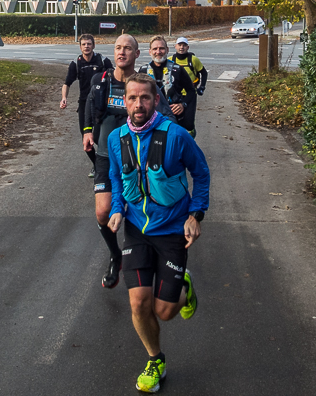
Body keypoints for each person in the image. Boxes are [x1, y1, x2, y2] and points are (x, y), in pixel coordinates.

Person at [107, 73, 210, 393]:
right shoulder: (116, 138)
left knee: (164, 312)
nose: (139, 104)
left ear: (156, 101)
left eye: (145, 98)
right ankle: (155, 359)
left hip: (171, 230)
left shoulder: (176, 135)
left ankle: (184, 286)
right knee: (138, 303)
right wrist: (116, 209)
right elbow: (116, 178)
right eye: (133, 98)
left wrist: (196, 214)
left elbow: (201, 173)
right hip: (137, 229)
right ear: (124, 101)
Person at [84, 35, 173, 289]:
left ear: (137, 54)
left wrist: (172, 144)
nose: (121, 52)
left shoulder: (145, 85)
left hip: (138, 160)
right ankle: (115, 255)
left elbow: (166, 117)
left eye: (127, 49)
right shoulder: (101, 81)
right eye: (118, 48)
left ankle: (147, 257)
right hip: (105, 156)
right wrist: (87, 131)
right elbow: (89, 107)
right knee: (103, 213)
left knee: (139, 210)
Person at [61, 34, 110, 177]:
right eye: (84, 44)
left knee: (101, 136)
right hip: (84, 105)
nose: (86, 46)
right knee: (86, 139)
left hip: (102, 103)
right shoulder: (76, 63)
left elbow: (114, 77)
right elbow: (67, 83)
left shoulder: (102, 61)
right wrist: (64, 98)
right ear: (80, 47)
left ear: (94, 46)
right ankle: (96, 165)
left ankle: (105, 164)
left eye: (89, 44)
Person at [138, 36, 196, 137]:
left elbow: (191, 91)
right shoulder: (143, 71)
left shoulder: (178, 70)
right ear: (150, 51)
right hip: (150, 118)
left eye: (161, 48)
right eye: (155, 49)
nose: (158, 51)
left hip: (173, 118)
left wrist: (183, 105)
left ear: (167, 50)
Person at [170, 36, 208, 137]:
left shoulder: (193, 60)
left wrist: (202, 87)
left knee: (189, 123)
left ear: (188, 47)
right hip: (175, 96)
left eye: (184, 45)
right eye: (179, 45)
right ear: (175, 46)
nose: (181, 47)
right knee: (174, 121)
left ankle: (191, 140)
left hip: (190, 94)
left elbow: (204, 73)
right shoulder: (170, 60)